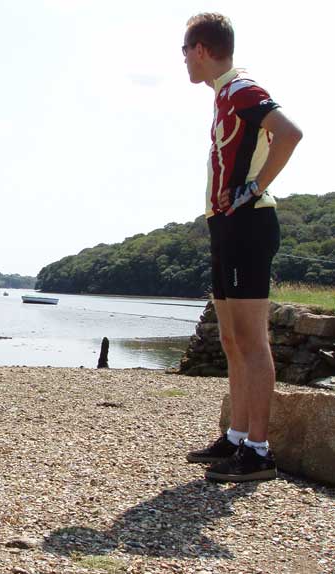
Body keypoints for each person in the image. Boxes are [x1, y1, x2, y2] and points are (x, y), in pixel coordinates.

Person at [181, 13, 302, 482]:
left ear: (203, 49)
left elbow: (290, 134)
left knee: (253, 340)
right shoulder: (222, 97)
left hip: (249, 224)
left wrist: (253, 188)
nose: (184, 61)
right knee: (231, 340)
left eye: (185, 51)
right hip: (225, 226)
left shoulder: (242, 89)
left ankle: (259, 450)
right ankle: (235, 437)